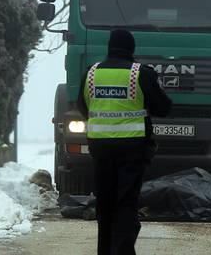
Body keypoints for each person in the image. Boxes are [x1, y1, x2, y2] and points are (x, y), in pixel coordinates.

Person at [77, 29, 172, 255]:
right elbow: (163, 108)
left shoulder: (91, 73)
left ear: (109, 47)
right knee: (126, 203)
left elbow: (83, 107)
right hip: (132, 149)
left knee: (105, 203)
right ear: (131, 48)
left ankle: (105, 251)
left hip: (100, 149)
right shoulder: (140, 74)